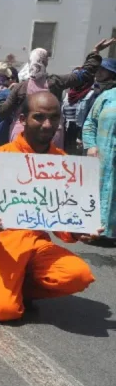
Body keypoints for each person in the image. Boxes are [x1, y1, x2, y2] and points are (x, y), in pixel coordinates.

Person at [0, 92, 98, 321]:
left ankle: (21, 286)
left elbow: (62, 216)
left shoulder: (63, 163)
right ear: (23, 119)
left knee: (78, 275)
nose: (48, 124)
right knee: (4, 311)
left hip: (36, 245)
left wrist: (78, 229)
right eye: (39, 117)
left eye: (54, 118)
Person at [0, 40, 112, 148]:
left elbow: (3, 111)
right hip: (50, 134)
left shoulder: (19, 87)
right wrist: (95, 52)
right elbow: (84, 75)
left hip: (22, 134)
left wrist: (1, 100)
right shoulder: (55, 82)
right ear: (45, 62)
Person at [82, 58, 116, 247]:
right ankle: (97, 229)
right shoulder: (106, 96)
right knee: (99, 190)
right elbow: (90, 122)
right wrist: (91, 145)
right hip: (102, 155)